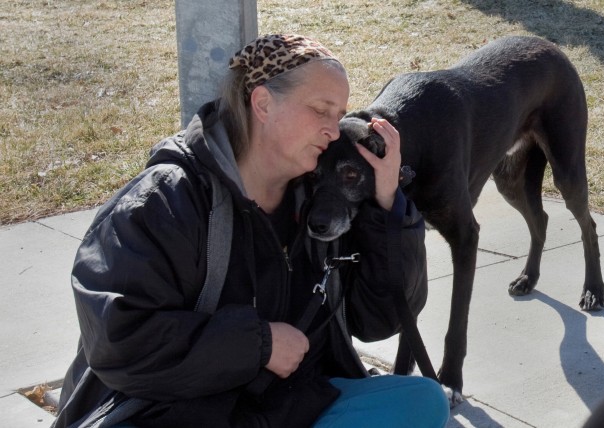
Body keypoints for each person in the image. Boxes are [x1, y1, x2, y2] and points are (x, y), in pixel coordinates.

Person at [52, 34, 449, 427]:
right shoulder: (163, 200)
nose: (334, 130)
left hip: (290, 407)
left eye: (340, 113)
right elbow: (120, 343)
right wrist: (259, 345)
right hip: (173, 412)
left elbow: (376, 321)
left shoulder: (316, 201)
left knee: (420, 401)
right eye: (321, 110)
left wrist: (388, 206)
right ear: (262, 103)